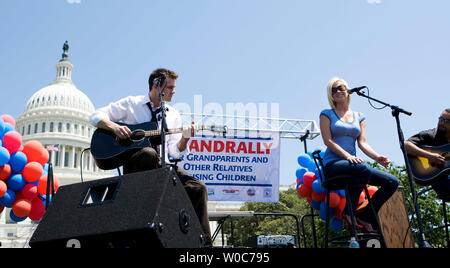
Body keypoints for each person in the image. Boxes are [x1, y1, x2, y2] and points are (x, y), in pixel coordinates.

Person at [89, 68, 212, 247]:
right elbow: (95, 115)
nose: (173, 91)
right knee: (148, 153)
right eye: (169, 87)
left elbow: (175, 152)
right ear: (156, 86)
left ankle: (204, 246)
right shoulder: (132, 103)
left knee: (197, 187)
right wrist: (115, 128)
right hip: (137, 165)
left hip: (163, 165)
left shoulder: (173, 113)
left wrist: (185, 138)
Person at [319, 77, 399, 232]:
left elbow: (362, 142)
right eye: (333, 90)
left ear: (348, 90)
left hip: (354, 166)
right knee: (363, 168)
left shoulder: (359, 116)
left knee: (392, 182)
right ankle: (348, 213)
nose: (337, 91)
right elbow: (327, 141)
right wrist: (347, 156)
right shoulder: (326, 114)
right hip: (333, 165)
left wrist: (378, 157)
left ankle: (366, 216)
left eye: (340, 87)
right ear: (331, 95)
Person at [405, 108, 450, 200]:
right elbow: (405, 145)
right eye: (440, 119)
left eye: (446, 121)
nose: (441, 123)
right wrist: (430, 156)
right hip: (438, 180)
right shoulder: (430, 135)